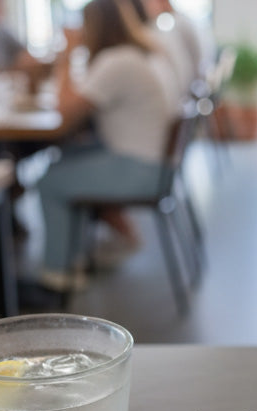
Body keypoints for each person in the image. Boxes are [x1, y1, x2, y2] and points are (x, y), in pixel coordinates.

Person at [36, 0, 180, 290]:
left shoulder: (116, 61)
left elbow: (64, 112)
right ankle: (71, 258)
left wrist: (66, 54)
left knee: (50, 181)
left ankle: (58, 276)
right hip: (153, 165)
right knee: (63, 160)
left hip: (138, 170)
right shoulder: (137, 54)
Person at [143, 0, 213, 95]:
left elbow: (196, 60)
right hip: (191, 88)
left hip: (191, 89)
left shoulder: (170, 25)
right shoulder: (171, 24)